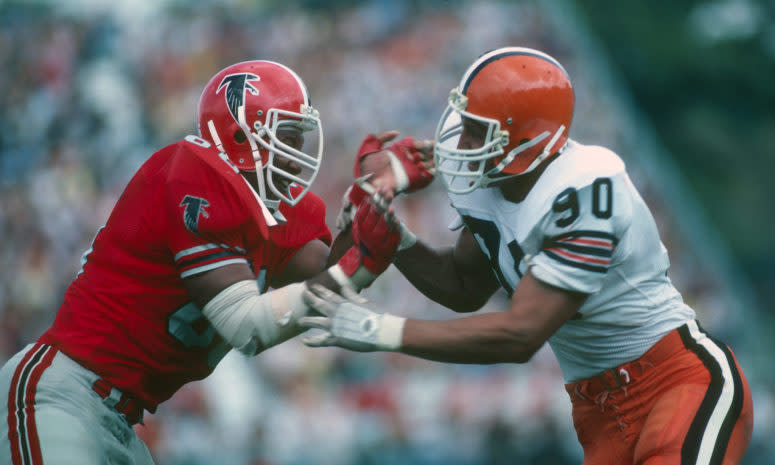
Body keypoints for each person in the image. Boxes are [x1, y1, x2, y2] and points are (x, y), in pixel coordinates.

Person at [299, 47, 754, 465]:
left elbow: (522, 335)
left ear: (530, 140)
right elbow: (463, 287)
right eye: (466, 124)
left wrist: (378, 329)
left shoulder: (586, 189)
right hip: (597, 412)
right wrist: (398, 241)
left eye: (479, 132)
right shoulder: (491, 185)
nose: (461, 142)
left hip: (675, 383)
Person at [0, 59, 433, 465]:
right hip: (61, 393)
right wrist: (356, 266)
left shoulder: (273, 212)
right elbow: (249, 326)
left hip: (120, 419)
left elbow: (330, 276)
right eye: (287, 136)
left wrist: (372, 200)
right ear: (241, 134)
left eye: (299, 138)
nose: (296, 152)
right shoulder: (194, 173)